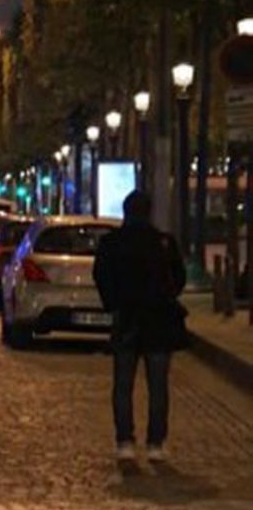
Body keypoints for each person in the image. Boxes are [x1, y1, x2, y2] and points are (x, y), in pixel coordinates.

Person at [93, 191, 186, 463]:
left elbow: (101, 275)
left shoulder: (112, 243)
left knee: (123, 384)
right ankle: (155, 442)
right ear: (149, 211)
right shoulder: (164, 243)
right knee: (158, 385)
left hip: (127, 321)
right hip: (158, 321)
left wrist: (113, 303)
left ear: (125, 212)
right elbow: (178, 277)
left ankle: (125, 441)